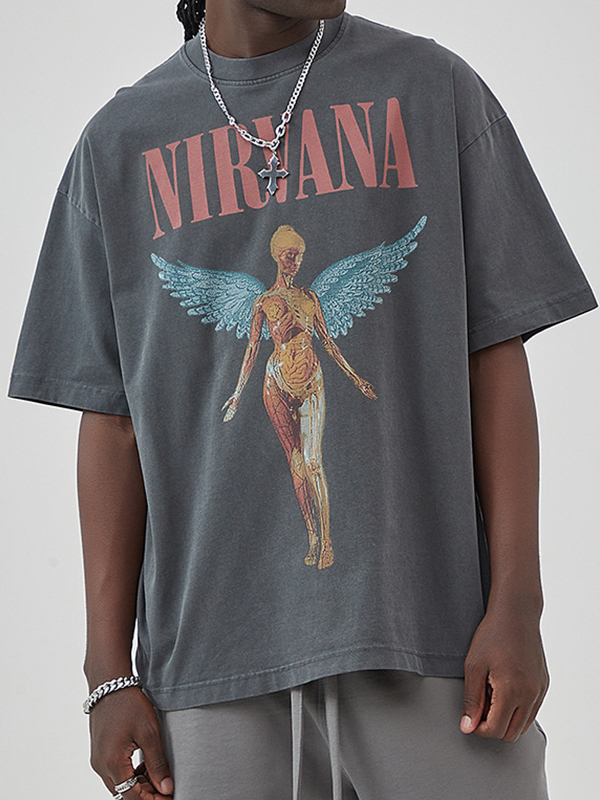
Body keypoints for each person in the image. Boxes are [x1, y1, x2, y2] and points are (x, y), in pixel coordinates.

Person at [7, 1, 598, 798]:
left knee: (312, 463)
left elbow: (494, 352)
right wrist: (107, 674)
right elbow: (113, 422)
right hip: (211, 666)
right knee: (299, 463)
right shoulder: (120, 144)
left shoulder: (431, 91)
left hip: (430, 642)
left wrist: (518, 604)